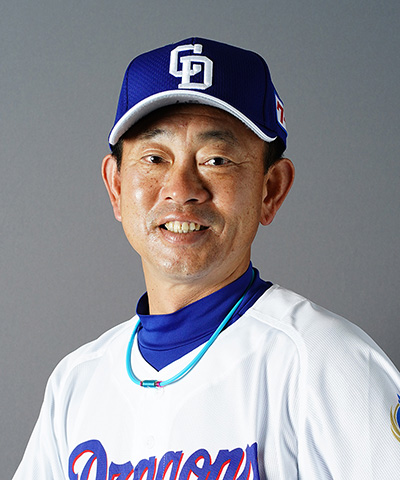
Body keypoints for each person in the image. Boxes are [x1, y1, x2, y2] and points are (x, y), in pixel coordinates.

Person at [13, 37, 400, 480]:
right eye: (155, 158)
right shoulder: (75, 383)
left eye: (216, 160)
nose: (181, 189)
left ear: (271, 190)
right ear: (116, 186)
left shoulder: (327, 363)